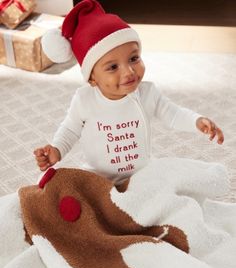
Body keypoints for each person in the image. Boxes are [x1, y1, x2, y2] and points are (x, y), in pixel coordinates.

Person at [34, 0, 224, 187]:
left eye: (134, 58)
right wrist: (57, 150)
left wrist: (196, 121)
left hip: (140, 176)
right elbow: (70, 129)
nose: (129, 72)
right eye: (113, 67)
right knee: (64, 189)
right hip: (98, 179)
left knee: (167, 186)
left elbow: (173, 114)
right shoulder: (85, 99)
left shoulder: (147, 93)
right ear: (92, 78)